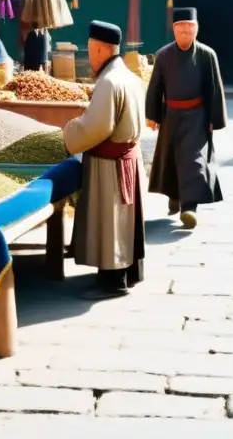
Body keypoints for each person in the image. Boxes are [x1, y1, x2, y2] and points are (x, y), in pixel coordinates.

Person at [62, 21, 146, 299]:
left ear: (100, 49)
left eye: (90, 50)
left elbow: (96, 127)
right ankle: (126, 272)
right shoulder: (129, 77)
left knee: (110, 220)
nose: (90, 57)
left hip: (110, 164)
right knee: (122, 220)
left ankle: (113, 281)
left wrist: (70, 130)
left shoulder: (109, 82)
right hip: (127, 158)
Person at [145, 7, 227, 230]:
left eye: (190, 27)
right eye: (181, 27)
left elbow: (214, 89)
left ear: (197, 29)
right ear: (173, 30)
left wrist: (214, 118)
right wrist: (152, 116)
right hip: (171, 114)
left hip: (197, 116)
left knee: (194, 160)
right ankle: (175, 196)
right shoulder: (163, 55)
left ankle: (189, 208)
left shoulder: (207, 55)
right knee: (171, 159)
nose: (185, 32)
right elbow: (155, 88)